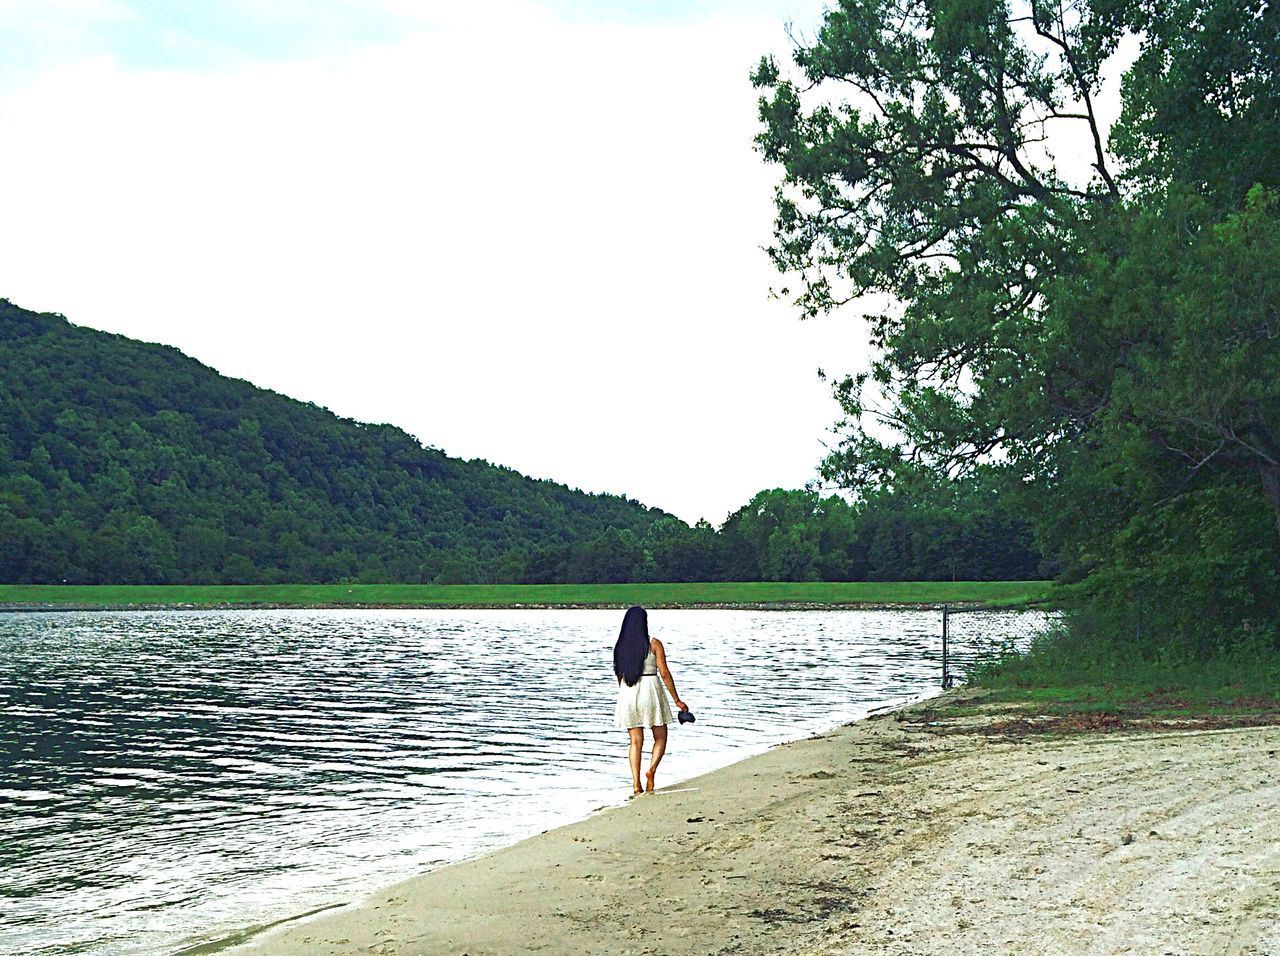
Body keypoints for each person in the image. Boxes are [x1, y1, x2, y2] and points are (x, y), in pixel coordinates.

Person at [612, 605, 688, 796]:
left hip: (627, 692)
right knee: (660, 736)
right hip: (650, 689)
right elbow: (664, 673)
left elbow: (618, 675)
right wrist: (677, 700)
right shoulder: (654, 644)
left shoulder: (620, 648)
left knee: (635, 741)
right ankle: (651, 770)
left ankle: (636, 784)